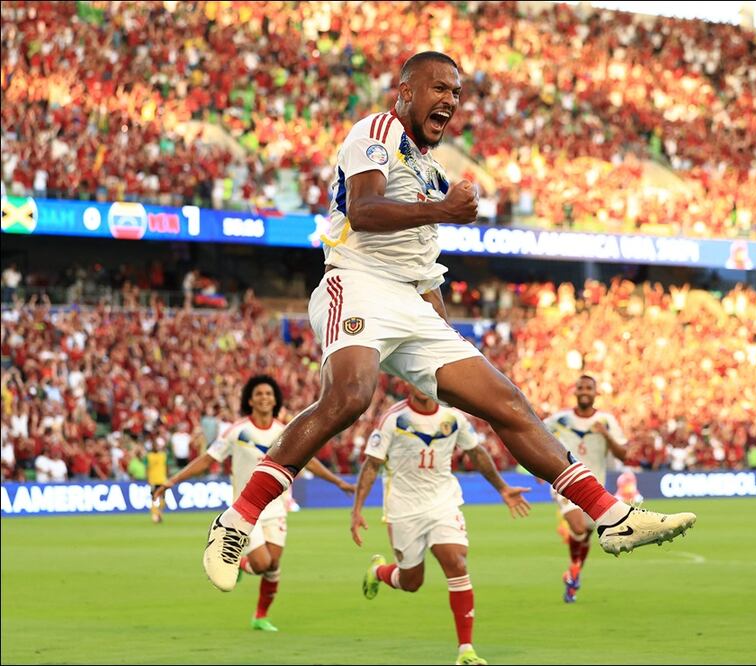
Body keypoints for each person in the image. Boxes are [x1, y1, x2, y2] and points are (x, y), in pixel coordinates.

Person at [201, 51, 695, 592]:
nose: (450, 101)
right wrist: (445, 212)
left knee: (506, 402)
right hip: (357, 282)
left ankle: (610, 516)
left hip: (412, 305)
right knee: (350, 396)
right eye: (439, 88)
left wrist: (449, 340)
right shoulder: (377, 129)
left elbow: (425, 272)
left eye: (456, 93)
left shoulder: (434, 171)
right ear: (405, 91)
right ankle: (238, 519)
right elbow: (364, 212)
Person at [350, 385, 531, 666]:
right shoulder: (393, 419)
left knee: (457, 562)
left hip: (443, 503)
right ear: (407, 383)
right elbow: (372, 464)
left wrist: (502, 488)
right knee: (411, 582)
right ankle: (380, 571)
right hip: (404, 509)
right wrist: (357, 509)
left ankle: (466, 651)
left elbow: (477, 453)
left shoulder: (453, 417)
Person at [158, 375, 353, 631]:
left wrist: (337, 482)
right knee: (261, 564)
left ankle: (260, 616)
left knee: (273, 566)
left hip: (277, 507)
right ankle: (235, 561)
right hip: (247, 508)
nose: (264, 398)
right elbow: (207, 460)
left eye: (269, 394)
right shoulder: (236, 431)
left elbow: (309, 461)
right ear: (250, 400)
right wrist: (173, 480)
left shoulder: (286, 430)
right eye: (259, 394)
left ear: (275, 400)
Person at [543, 375, 628, 603]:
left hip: (595, 485)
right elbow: (536, 435)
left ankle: (573, 572)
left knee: (586, 534)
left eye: (588, 388)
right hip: (565, 481)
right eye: (580, 387)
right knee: (579, 528)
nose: (584, 391)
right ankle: (573, 557)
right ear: (575, 390)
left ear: (595, 393)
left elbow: (624, 454)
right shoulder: (560, 420)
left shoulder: (607, 421)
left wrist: (606, 434)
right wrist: (539, 468)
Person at [147, 438, 168, 524]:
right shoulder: (149, 456)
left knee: (162, 498)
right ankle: (155, 515)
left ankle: (159, 514)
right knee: (155, 498)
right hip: (153, 480)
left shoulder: (162, 455)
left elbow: (166, 467)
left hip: (161, 480)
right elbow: (146, 468)